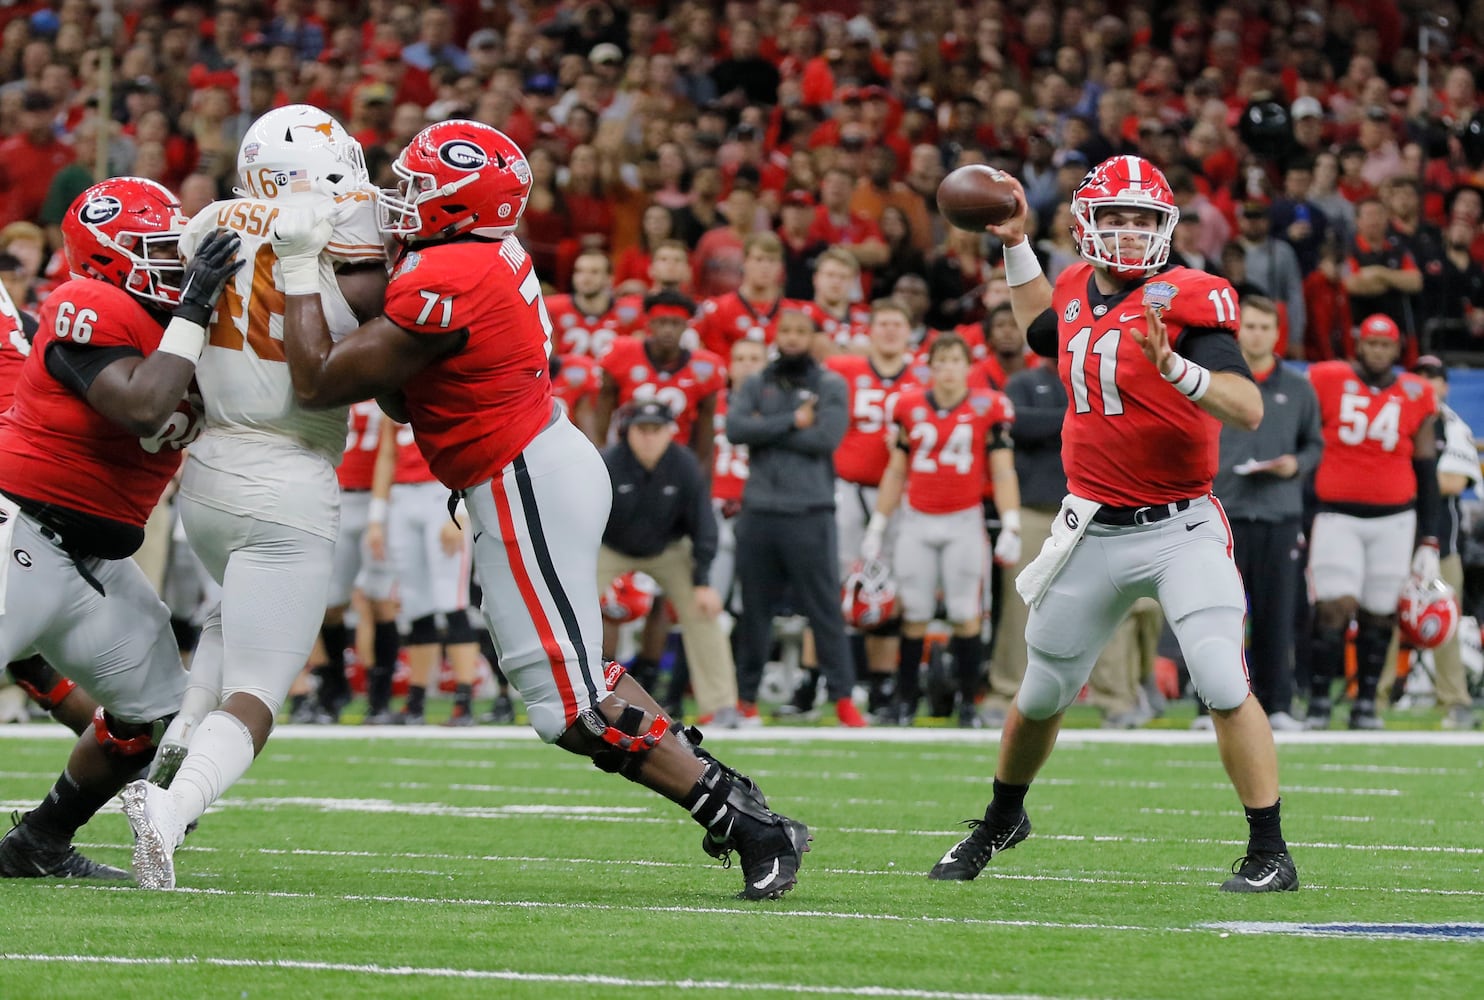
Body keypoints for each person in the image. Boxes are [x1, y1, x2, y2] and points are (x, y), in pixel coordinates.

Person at [199, 119, 809, 900]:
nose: (402, 200)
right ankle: (741, 806)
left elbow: (320, 382)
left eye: (421, 190)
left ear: (461, 206)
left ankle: (748, 824)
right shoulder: (471, 253)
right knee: (583, 685)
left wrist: (296, 263)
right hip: (528, 468)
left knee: (570, 708)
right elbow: (399, 395)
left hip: (521, 476)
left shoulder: (449, 272)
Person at [929, 156, 1296, 893]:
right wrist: (1011, 243)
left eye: (1143, 219)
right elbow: (1041, 324)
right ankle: (1003, 816)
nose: (1129, 232)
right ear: (1085, 224)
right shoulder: (1071, 288)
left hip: (1179, 524)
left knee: (1223, 676)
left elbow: (1247, 407)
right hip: (1091, 524)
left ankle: (1270, 850)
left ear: (1166, 229)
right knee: (1039, 695)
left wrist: (1180, 372)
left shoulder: (1190, 297)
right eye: (1117, 217)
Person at [121, 105, 388, 889]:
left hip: (204, 474)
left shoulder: (205, 219)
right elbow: (386, 314)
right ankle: (167, 818)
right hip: (289, 473)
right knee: (261, 691)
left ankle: (162, 777)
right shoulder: (349, 229)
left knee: (222, 632)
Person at [0, 177, 240, 879]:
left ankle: (37, 845)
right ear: (110, 256)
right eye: (156, 250)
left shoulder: (184, 328)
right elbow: (141, 405)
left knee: (148, 717)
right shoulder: (88, 302)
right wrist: (195, 306)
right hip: (18, 525)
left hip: (93, 562)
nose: (174, 262)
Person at [864, 332, 1021, 728]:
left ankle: (969, 704)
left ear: (969, 367)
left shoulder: (989, 406)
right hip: (916, 518)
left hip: (964, 520)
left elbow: (1002, 470)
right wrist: (878, 523)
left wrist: (1012, 522)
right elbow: (896, 469)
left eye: (955, 360)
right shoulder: (910, 405)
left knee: (965, 613)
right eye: (941, 361)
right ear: (929, 367)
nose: (948, 369)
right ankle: (904, 702)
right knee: (914, 612)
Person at [727, 308, 866, 727]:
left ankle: (843, 699)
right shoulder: (756, 383)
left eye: (799, 331)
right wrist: (792, 421)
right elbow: (735, 429)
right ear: (775, 334)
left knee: (824, 609)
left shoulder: (830, 383)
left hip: (810, 510)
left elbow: (825, 438)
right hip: (760, 511)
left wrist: (765, 428)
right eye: (785, 329)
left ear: (814, 337)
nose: (791, 337)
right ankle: (746, 700)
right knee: (754, 610)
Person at [1306, 314, 1439, 730]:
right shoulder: (1325, 379)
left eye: (1387, 346)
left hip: (1395, 520)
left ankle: (1365, 704)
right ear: (1359, 344)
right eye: (1372, 344)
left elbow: (1427, 468)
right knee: (1332, 608)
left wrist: (1430, 538)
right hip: (1336, 514)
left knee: (1380, 614)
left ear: (1398, 350)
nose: (1378, 352)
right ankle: (1319, 702)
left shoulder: (1417, 393)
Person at [1208, 297, 1323, 732]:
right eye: (1249, 326)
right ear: (1238, 332)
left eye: (1264, 327)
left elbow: (1315, 442)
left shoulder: (1298, 387)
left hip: (1279, 513)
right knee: (1219, 613)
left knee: (1277, 613)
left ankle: (1277, 703)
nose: (1256, 334)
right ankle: (1219, 706)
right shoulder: (1218, 382)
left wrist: (1297, 464)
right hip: (1224, 512)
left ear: (1278, 333)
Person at [599, 399, 739, 726]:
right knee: (566, 606)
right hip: (609, 546)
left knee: (703, 610)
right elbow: (582, 520)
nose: (648, 437)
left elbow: (704, 525)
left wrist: (703, 582)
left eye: (656, 430)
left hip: (668, 549)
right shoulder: (607, 463)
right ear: (628, 433)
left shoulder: (685, 465)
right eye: (641, 430)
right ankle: (562, 694)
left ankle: (721, 705)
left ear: (669, 433)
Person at [823, 299, 920, 719]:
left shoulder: (923, 377)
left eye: (897, 323)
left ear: (909, 331)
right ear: (869, 329)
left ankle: (881, 682)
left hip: (900, 495)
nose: (889, 331)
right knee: (839, 584)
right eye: (882, 323)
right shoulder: (843, 370)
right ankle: (835, 678)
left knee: (889, 589)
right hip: (848, 487)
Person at [366, 420, 482, 726]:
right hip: (402, 498)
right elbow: (387, 453)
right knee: (416, 604)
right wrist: (376, 518)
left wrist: (461, 507)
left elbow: (469, 444)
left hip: (441, 493)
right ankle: (415, 703)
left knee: (451, 600)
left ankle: (464, 702)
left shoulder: (445, 383)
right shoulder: (391, 388)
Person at [313, 400, 400, 725]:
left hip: (381, 500)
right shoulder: (338, 381)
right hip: (336, 496)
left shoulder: (386, 380)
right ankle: (335, 687)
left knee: (380, 599)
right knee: (331, 603)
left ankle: (380, 697)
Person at [1410, 356, 1479, 730]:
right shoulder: (1401, 416)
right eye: (1418, 375)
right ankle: (1377, 696)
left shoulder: (1453, 425)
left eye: (1432, 377)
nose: (1425, 382)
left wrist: (1407, 478)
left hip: (1442, 541)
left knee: (1445, 621)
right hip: (1399, 532)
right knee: (1386, 617)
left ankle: (1454, 699)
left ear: (1444, 386)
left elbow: (1454, 481)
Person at [595, 291, 725, 466]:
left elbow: (705, 437)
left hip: (676, 462)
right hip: (624, 458)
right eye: (662, 322)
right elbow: (603, 412)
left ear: (687, 326)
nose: (668, 330)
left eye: (675, 324)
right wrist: (598, 459)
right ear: (649, 323)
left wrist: (699, 477)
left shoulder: (706, 367)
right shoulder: (621, 354)